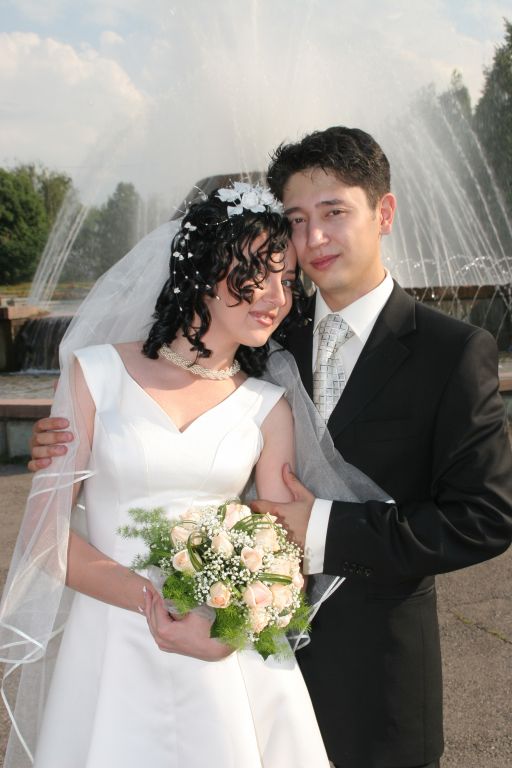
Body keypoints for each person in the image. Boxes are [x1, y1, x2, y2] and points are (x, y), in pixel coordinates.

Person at [27, 127, 512, 767]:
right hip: (215, 659)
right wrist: (72, 443)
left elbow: (484, 517)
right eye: (297, 220)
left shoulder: (452, 352)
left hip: (371, 676)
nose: (313, 239)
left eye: (334, 212)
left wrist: (318, 531)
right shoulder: (266, 331)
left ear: (383, 213)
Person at [1, 185, 337, 768]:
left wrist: (221, 626)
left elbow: (284, 556)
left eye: (287, 282)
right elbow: (44, 540)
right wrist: (157, 603)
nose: (277, 298)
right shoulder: (94, 375)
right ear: (206, 269)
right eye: (259, 274)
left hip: (224, 657)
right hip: (109, 645)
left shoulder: (268, 407)